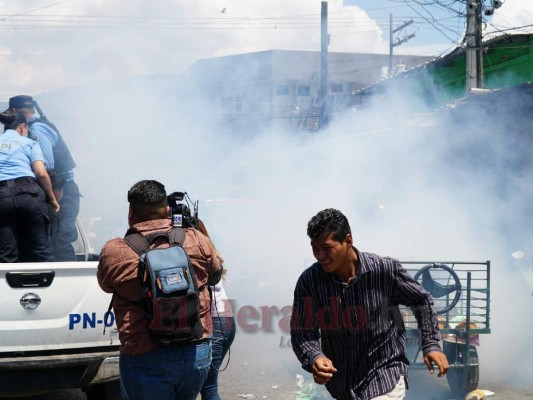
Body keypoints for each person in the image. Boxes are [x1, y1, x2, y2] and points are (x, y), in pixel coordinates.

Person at [290, 208, 449, 400]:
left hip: (384, 372)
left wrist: (431, 344)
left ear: (348, 240)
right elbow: (302, 332)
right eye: (315, 248)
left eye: (326, 248)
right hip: (342, 382)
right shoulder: (310, 281)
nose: (320, 256)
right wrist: (316, 356)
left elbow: (421, 300)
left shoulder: (384, 270)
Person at [97, 180, 223, 400]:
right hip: (196, 352)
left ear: (131, 213)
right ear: (167, 210)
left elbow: (105, 286)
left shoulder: (115, 251)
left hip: (145, 355)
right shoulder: (196, 239)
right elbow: (216, 274)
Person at [5, 95, 80, 261]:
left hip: (60, 192)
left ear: (15, 111)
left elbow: (46, 171)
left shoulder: (36, 130)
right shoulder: (39, 127)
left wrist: (50, 201)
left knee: (59, 243)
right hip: (58, 191)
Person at [0, 111, 60, 262]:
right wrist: (52, 200)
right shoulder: (30, 143)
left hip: (1, 198)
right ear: (22, 127)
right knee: (41, 250)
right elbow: (41, 173)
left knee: (6, 254)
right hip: (28, 195)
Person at [197, 219, 236, 400]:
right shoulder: (209, 253)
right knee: (207, 385)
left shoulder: (197, 255)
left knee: (208, 386)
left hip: (217, 321)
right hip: (225, 320)